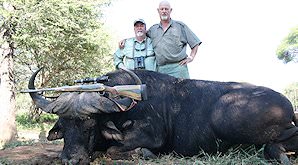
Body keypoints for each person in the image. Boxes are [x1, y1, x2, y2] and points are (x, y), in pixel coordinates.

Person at [147, 0, 202, 78]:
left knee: (184, 90)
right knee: (163, 90)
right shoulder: (153, 29)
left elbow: (195, 43)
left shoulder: (180, 26)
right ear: (158, 11)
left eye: (166, 9)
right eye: (162, 9)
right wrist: (125, 41)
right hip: (161, 70)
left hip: (179, 68)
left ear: (171, 10)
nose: (164, 11)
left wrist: (191, 57)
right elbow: (140, 36)